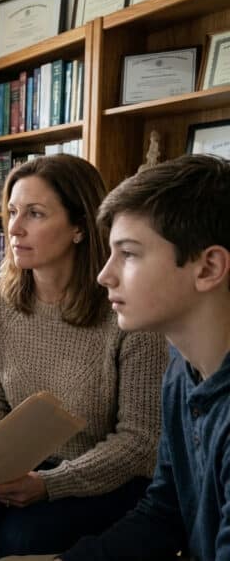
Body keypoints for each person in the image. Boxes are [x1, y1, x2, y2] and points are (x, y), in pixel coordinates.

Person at [0, 154, 168, 560]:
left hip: (103, 475)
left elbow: (140, 441)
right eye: (12, 211)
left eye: (35, 214)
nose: (14, 228)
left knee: (23, 536)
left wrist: (53, 484)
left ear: (80, 226)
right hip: (19, 464)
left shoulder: (127, 310)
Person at [57, 154, 230, 560]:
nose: (104, 275)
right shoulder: (181, 372)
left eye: (129, 254)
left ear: (208, 268)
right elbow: (165, 513)